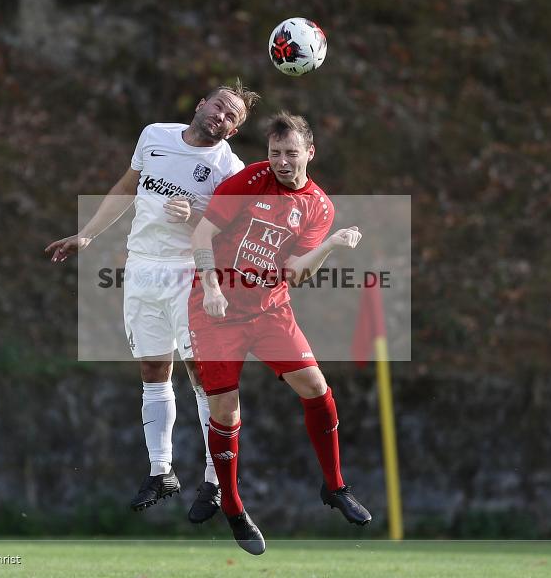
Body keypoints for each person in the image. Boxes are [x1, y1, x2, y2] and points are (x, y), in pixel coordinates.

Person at [45, 81, 260, 523]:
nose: (221, 116)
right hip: (142, 269)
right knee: (152, 369)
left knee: (203, 377)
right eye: (219, 106)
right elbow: (126, 188)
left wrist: (198, 216)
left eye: (231, 117)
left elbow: (235, 234)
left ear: (233, 131)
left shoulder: (228, 168)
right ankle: (161, 471)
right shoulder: (154, 135)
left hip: (189, 274)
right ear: (201, 105)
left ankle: (215, 478)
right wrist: (88, 234)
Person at [189, 111, 371, 555]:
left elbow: (296, 272)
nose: (282, 162)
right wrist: (211, 286)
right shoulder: (251, 181)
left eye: (291, 153)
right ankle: (232, 505)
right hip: (215, 309)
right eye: (274, 153)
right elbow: (202, 234)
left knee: (315, 387)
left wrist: (330, 245)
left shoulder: (318, 206)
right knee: (226, 413)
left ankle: (335, 486)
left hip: (270, 309)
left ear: (310, 152)